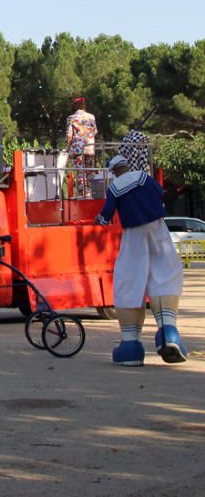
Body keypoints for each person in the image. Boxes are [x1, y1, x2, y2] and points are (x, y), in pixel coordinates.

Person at [97, 155, 186, 366]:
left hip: (133, 234)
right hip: (158, 228)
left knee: (129, 279)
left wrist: (99, 220)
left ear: (115, 170)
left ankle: (131, 345)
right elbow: (159, 194)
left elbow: (107, 214)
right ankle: (168, 332)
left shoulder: (115, 187)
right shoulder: (145, 178)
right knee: (165, 273)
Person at [66, 96, 98, 199]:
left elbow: (69, 136)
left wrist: (68, 147)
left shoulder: (71, 118)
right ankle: (92, 193)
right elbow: (95, 131)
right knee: (90, 171)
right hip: (89, 147)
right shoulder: (91, 117)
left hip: (77, 149)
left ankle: (82, 195)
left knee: (80, 172)